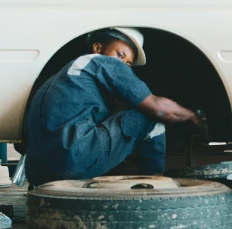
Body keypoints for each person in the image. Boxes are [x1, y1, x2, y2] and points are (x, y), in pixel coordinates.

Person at [25, 28, 203, 187]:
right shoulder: (100, 62)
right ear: (97, 48)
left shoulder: (67, 75)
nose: (123, 65)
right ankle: (155, 190)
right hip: (72, 160)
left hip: (38, 172)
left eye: (128, 63)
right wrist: (193, 117)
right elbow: (159, 108)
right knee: (151, 118)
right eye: (120, 55)